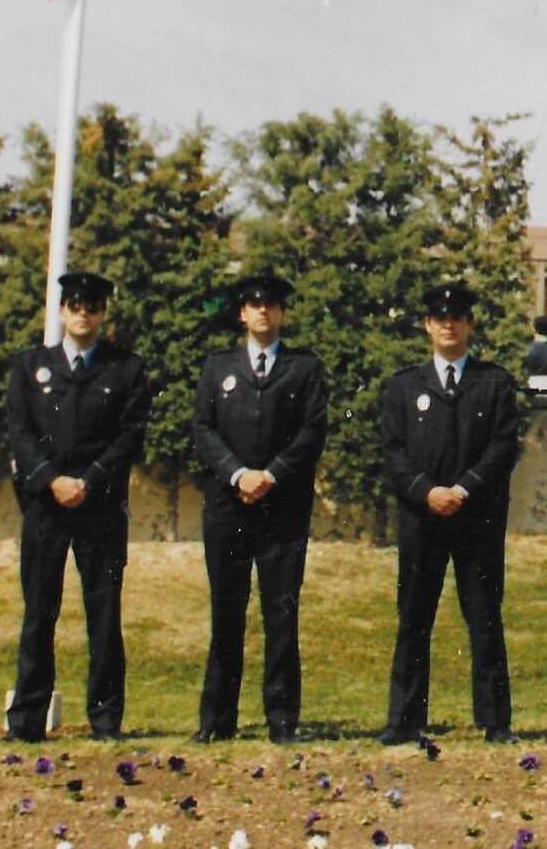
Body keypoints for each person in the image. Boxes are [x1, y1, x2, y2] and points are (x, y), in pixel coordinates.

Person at [3, 270, 151, 742]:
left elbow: (129, 435)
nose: (82, 314)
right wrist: (51, 480)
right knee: (38, 614)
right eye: (74, 306)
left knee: (104, 616)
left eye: (91, 306)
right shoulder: (29, 366)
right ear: (62, 311)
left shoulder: (126, 369)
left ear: (102, 313)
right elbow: (20, 433)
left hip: (100, 506)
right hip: (46, 506)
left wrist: (87, 480)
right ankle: (26, 721)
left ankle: (105, 721)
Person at [380, 282, 522, 744]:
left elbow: (502, 448)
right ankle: (404, 719)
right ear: (427, 325)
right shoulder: (404, 386)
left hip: (475, 517)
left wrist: (461, 489)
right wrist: (427, 492)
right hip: (422, 518)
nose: (448, 324)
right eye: (439, 318)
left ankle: (495, 721)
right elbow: (394, 451)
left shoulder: (494, 382)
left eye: (457, 317)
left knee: (483, 617)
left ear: (469, 325)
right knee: (414, 617)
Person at [191, 272, 329, 743]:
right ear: (242, 314)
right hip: (228, 507)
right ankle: (216, 721)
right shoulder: (217, 367)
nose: (262, 311)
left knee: (281, 615)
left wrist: (270, 476)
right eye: (254, 305)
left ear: (281, 313)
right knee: (226, 614)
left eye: (271, 304)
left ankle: (282, 720)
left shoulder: (304, 368)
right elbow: (203, 430)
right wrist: (237, 474)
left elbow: (312, 432)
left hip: (282, 508)